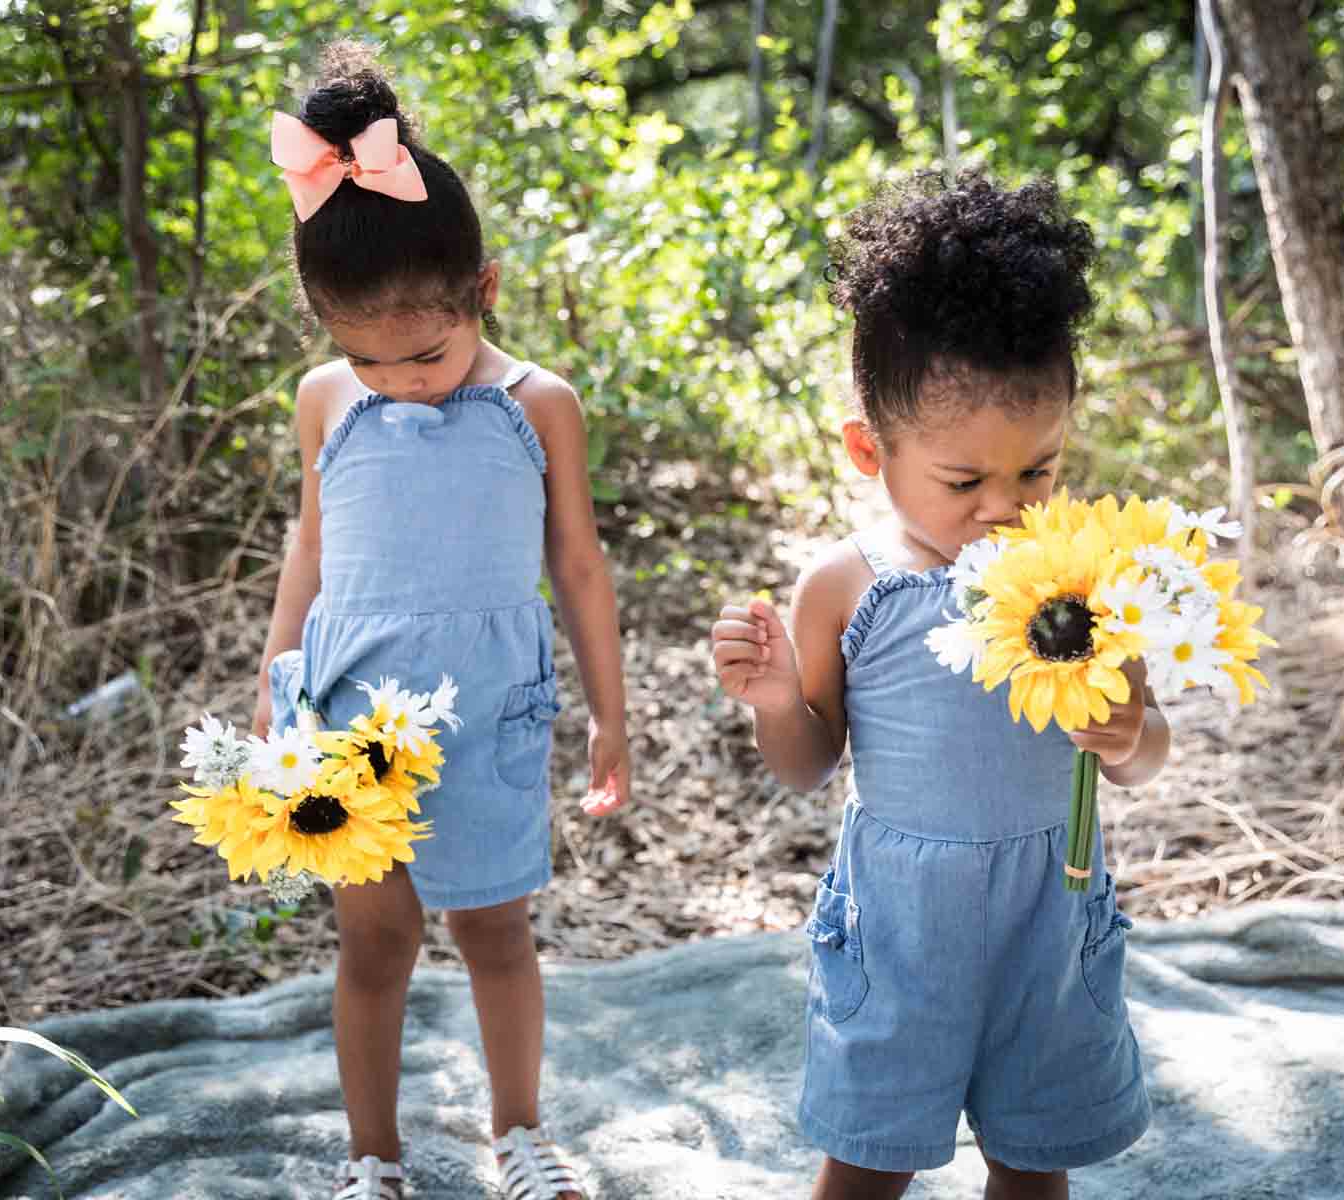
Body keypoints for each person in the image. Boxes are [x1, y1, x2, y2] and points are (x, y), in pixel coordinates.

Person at [711, 171, 1163, 1200]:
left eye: (1038, 472)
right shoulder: (847, 587)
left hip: (1053, 912)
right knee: (868, 1161)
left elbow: (1148, 752)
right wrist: (782, 700)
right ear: (871, 450)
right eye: (965, 482)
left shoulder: (1082, 576)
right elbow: (808, 764)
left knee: (1032, 1159)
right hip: (903, 922)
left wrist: (1133, 735)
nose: (1005, 510)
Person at [252, 40, 629, 1200]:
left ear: (485, 291)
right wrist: (273, 685)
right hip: (352, 698)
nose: (402, 378)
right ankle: (375, 1158)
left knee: (495, 933)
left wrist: (613, 717)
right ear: (323, 326)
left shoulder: (536, 406)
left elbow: (576, 564)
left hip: (490, 707)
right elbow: (310, 545)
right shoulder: (328, 400)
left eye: (426, 349)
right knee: (373, 940)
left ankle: (519, 1135)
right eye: (366, 354)